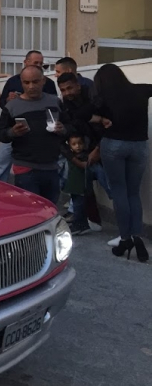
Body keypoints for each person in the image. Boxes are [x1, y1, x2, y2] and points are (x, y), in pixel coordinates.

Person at [92, 64, 152, 262]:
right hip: (139, 146)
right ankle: (137, 237)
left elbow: (81, 114)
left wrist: (100, 118)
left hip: (114, 145)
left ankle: (125, 238)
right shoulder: (141, 89)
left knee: (119, 191)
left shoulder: (102, 98)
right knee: (133, 192)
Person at [0, 66, 66, 203]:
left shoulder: (55, 102)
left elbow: (69, 127)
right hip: (25, 168)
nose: (31, 86)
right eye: (26, 83)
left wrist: (63, 129)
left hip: (51, 166)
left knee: (50, 211)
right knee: (31, 212)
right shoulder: (12, 106)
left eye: (35, 81)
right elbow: (0, 134)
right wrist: (12, 132)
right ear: (21, 82)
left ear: (43, 81)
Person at [57, 72, 111, 232]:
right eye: (63, 90)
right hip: (81, 154)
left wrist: (98, 150)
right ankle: (83, 222)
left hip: (104, 149)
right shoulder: (65, 104)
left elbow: (109, 126)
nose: (67, 93)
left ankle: (127, 233)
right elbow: (66, 133)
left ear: (78, 85)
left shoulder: (95, 98)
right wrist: (74, 159)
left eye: (70, 88)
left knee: (114, 189)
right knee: (78, 188)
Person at [0, 50, 58, 181]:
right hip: (16, 130)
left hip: (42, 139)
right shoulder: (13, 81)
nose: (31, 86)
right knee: (2, 162)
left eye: (41, 63)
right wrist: (8, 100)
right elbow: (1, 102)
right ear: (26, 62)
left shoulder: (49, 83)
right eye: (36, 62)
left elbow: (55, 109)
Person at [62, 131, 92, 236]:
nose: (77, 146)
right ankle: (83, 225)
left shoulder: (82, 157)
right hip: (75, 186)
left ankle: (77, 225)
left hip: (79, 186)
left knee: (78, 206)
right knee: (78, 205)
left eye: (80, 143)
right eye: (74, 144)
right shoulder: (73, 156)